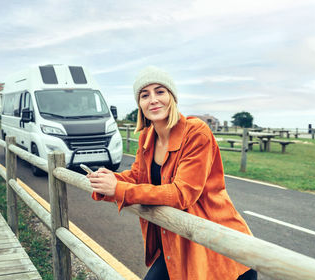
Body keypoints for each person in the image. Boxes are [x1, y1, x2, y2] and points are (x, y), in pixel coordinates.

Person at [87, 66, 257, 280]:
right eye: (144, 95)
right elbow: (137, 176)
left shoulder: (196, 132)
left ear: (172, 97)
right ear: (139, 104)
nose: (153, 100)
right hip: (178, 243)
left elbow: (182, 193)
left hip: (221, 248)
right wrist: (108, 180)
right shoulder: (147, 137)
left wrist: (119, 188)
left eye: (160, 91)